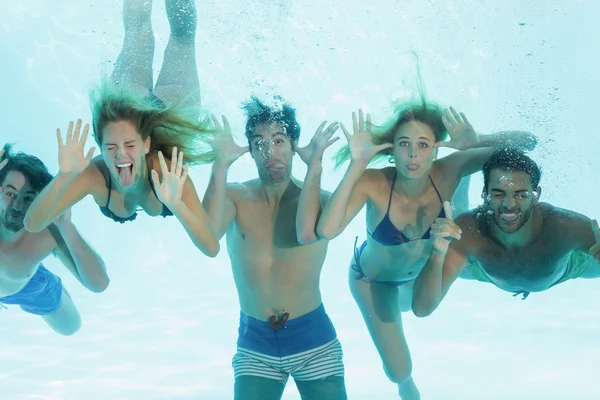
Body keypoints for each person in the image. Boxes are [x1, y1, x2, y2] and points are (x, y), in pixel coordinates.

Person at [297, 96, 537, 399]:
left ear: (436, 148)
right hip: (375, 281)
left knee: (454, 218)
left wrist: (478, 141)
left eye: (423, 145)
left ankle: (458, 194)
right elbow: (326, 230)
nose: (413, 155)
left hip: (423, 270)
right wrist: (358, 163)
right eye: (404, 144)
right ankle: (405, 385)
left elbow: (527, 144)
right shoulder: (373, 182)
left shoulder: (449, 166)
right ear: (392, 149)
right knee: (400, 370)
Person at [23, 0, 219, 257]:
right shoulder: (94, 175)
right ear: (100, 145)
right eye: (111, 147)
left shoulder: (164, 170)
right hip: (175, 111)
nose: (120, 155)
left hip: (141, 105)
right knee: (182, 36)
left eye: (129, 145)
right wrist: (63, 176)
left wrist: (177, 203)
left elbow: (211, 248)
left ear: (146, 144)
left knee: (137, 29)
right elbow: (33, 224)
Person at [202, 96, 348, 399]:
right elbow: (208, 234)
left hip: (313, 341)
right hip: (255, 344)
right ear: (251, 151)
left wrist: (316, 165)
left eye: (279, 140)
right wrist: (220, 162)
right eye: (260, 143)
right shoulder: (234, 197)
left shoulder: (322, 200)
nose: (271, 151)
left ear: (295, 144)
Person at [412, 148, 600, 317]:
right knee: (440, 242)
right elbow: (422, 309)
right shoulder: (469, 230)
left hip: (568, 268)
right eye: (498, 194)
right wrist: (436, 254)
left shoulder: (565, 226)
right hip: (484, 271)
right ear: (484, 193)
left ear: (536, 196)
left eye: (520, 194)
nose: (508, 205)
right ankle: (464, 170)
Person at [0, 144, 110, 335]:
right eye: (11, 194)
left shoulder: (48, 231)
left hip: (28, 286)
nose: (17, 207)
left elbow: (99, 283)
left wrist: (66, 226)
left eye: (28, 199)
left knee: (70, 327)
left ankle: (48, 281)